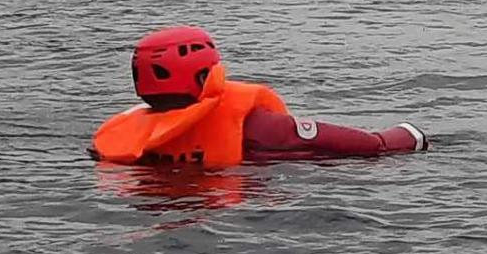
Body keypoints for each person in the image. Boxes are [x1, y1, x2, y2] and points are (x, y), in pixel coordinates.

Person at [89, 25, 428, 169]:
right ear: (203, 73)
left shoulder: (123, 135)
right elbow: (369, 146)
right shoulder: (257, 126)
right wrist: (410, 135)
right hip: (249, 206)